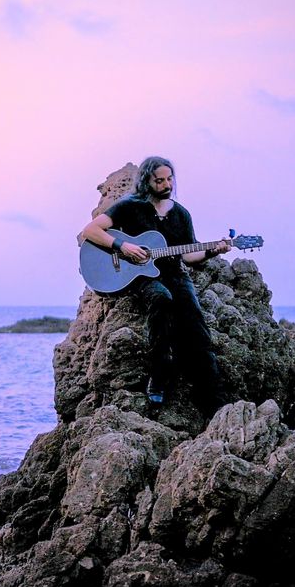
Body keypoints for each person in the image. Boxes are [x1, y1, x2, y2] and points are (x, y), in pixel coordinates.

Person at [79, 156, 231, 416]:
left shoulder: (180, 214)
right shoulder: (129, 206)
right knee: (161, 300)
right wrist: (122, 246)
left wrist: (213, 251)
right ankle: (159, 374)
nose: (166, 184)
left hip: (174, 274)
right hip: (142, 276)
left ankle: (213, 398)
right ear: (147, 181)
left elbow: (188, 255)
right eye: (159, 180)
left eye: (169, 179)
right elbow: (91, 231)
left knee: (195, 322)